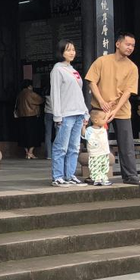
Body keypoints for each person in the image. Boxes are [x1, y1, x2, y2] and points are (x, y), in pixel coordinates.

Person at [85, 32, 140, 186]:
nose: (130, 48)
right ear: (118, 44)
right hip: (100, 110)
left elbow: (128, 92)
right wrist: (101, 101)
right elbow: (92, 81)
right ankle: (95, 175)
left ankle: (130, 176)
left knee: (126, 144)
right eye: (127, 44)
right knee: (95, 143)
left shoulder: (132, 67)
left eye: (133, 45)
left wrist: (115, 109)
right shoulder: (102, 61)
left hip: (122, 110)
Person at [50, 40, 89, 186]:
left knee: (74, 148)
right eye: (68, 50)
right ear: (61, 52)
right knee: (61, 147)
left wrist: (85, 113)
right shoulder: (57, 69)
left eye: (73, 49)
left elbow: (78, 93)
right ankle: (58, 176)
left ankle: (70, 175)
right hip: (66, 114)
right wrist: (57, 115)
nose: (72, 52)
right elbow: (55, 94)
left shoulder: (73, 69)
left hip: (78, 113)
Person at [14, 80, 44, 159]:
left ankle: (27, 152)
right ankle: (30, 152)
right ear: (29, 86)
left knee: (23, 135)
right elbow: (41, 100)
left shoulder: (20, 94)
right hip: (31, 116)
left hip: (21, 116)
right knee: (33, 135)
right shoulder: (31, 93)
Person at [84, 110, 112, 186]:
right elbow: (84, 135)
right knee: (95, 167)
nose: (105, 120)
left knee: (104, 166)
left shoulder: (103, 128)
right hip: (95, 153)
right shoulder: (90, 130)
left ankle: (104, 179)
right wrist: (83, 126)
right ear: (96, 120)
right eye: (103, 119)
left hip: (104, 152)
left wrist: (107, 114)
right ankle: (96, 179)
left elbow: (105, 120)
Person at [43, 92, 54, 160]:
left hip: (48, 113)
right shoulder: (59, 94)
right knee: (58, 133)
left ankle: (49, 155)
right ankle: (56, 153)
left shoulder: (46, 96)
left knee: (48, 134)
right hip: (57, 113)